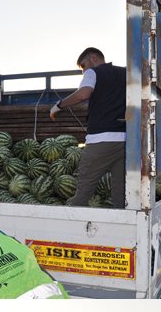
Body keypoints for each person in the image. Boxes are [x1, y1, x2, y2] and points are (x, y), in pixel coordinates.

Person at [52, 47, 127, 209]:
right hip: (125, 141)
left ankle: (73, 221)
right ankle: (122, 222)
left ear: (93, 58)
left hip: (100, 140)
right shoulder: (125, 73)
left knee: (84, 189)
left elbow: (83, 94)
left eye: (84, 66)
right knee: (120, 191)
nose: (84, 71)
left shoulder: (93, 72)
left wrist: (59, 105)